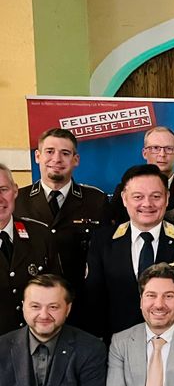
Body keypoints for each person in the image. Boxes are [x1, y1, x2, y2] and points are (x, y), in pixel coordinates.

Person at [84, 165, 174, 340]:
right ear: (124, 199)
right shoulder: (104, 241)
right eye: (138, 197)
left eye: (156, 196)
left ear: (168, 197)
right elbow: (94, 302)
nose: (147, 204)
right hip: (120, 350)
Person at [14, 127, 108, 300]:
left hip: (82, 301)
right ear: (37, 156)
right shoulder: (18, 200)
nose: (56, 159)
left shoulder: (96, 200)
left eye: (65, 153)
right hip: (33, 303)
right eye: (49, 151)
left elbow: (106, 252)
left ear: (76, 160)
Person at [0, 162, 59, 335]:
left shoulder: (40, 234)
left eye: (4, 189)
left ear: (15, 191)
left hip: (36, 342)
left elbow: (57, 288)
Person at [107, 126, 174, 225]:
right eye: (155, 148)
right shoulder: (125, 188)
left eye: (169, 149)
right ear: (144, 153)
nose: (162, 154)